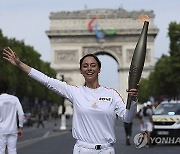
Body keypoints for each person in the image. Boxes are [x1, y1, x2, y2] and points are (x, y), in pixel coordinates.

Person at [3, 47, 138, 154]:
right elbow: (46, 80)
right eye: (85, 66)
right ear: (80, 70)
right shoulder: (75, 92)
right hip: (83, 150)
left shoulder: (112, 94)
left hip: (107, 150)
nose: (89, 68)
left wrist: (133, 100)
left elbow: (128, 118)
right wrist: (20, 64)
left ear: (99, 69)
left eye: (93, 65)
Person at [0, 80, 24, 154]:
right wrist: (20, 127)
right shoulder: (14, 99)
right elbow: (21, 113)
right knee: (12, 150)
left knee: (1, 150)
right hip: (13, 129)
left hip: (1, 129)